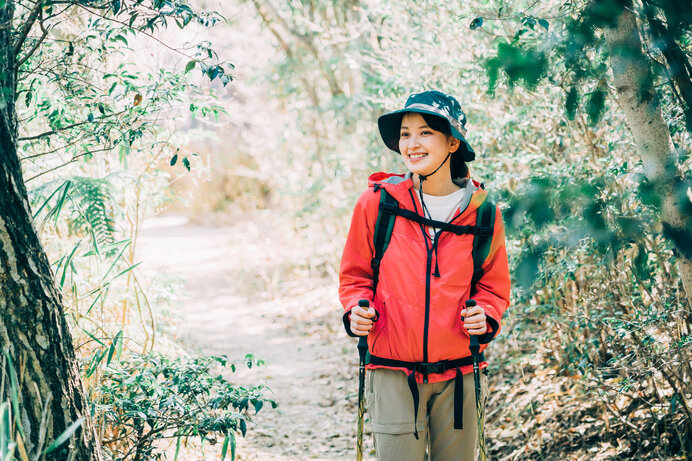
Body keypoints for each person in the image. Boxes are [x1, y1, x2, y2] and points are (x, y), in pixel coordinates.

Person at [338, 90, 510, 461]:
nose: (412, 144)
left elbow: (493, 287)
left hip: (460, 376)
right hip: (391, 372)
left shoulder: (483, 213)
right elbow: (355, 277)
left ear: (452, 142)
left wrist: (486, 314)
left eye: (425, 132)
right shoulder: (377, 203)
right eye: (405, 133)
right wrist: (356, 308)